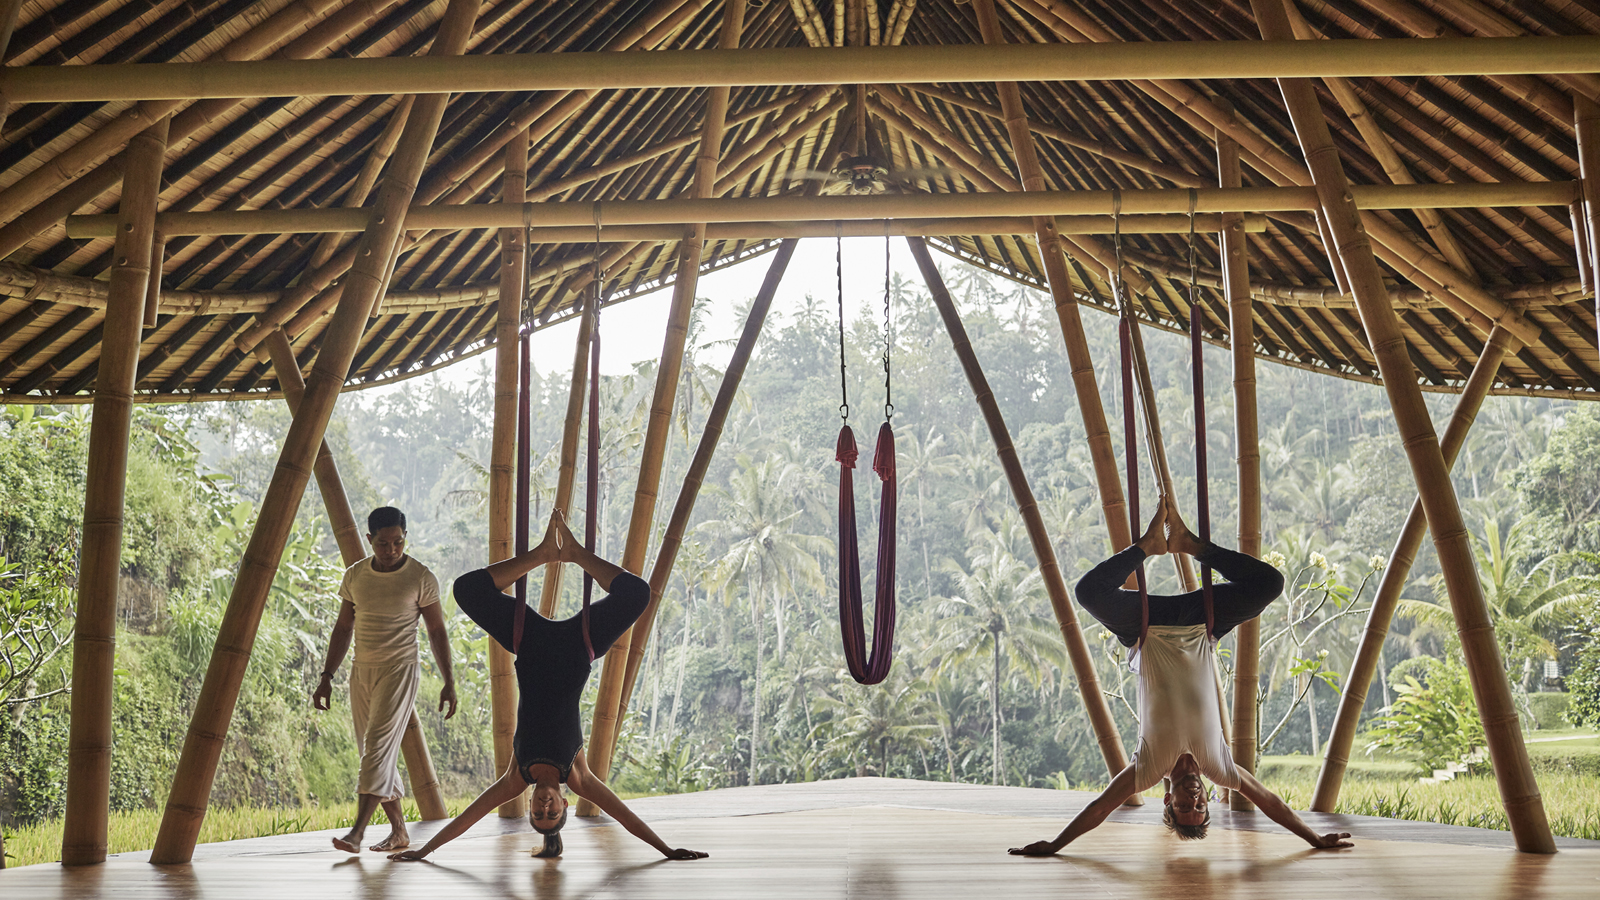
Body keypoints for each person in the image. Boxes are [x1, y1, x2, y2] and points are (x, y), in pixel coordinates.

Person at [1009, 503, 1352, 855]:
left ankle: (1146, 547)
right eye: (1200, 807)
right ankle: (1193, 546)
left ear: (1167, 800)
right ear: (1207, 798)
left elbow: (1099, 808)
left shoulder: (1146, 770)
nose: (1194, 801)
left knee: (1088, 593)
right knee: (1269, 584)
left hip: (1145, 628)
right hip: (1202, 625)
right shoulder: (1220, 767)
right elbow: (1269, 801)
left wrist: (1054, 845)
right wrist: (1316, 839)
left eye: (1184, 808)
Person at [390, 513, 707, 862]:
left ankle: (542, 555)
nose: (544, 806)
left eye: (538, 813)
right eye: (552, 812)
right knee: (637, 593)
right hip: (580, 643)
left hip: (529, 641)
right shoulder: (578, 776)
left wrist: (423, 851)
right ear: (564, 803)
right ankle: (574, 553)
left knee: (467, 589)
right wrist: (666, 849)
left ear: (528, 806)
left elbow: (470, 815)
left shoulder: (516, 776)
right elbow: (624, 816)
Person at [312, 506, 456, 853]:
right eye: (383, 543)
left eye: (397, 542)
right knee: (372, 752)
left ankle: (356, 833)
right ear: (369, 540)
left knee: (376, 750)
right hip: (362, 671)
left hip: (400, 670)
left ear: (405, 538)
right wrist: (326, 676)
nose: (391, 550)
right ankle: (399, 832)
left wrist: (449, 681)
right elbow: (344, 627)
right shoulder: (355, 576)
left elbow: (436, 631)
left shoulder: (421, 577)